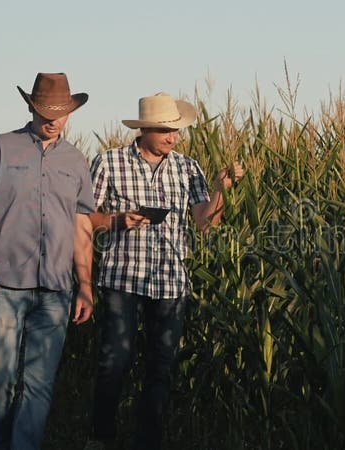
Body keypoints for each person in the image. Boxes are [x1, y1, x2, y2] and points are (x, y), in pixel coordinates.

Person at [86, 92, 244, 449]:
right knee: (115, 360)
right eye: (165, 130)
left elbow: (205, 222)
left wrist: (220, 189)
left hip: (171, 282)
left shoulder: (188, 168)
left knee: (161, 367)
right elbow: (86, 219)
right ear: (144, 130)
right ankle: (101, 437)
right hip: (123, 277)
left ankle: (148, 440)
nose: (173, 137)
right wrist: (119, 221)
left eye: (176, 130)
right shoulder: (109, 163)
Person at [0, 72, 96, 450]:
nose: (53, 118)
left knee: (40, 383)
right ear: (30, 107)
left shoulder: (76, 160)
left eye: (61, 112)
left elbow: (82, 223)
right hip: (3, 283)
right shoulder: (0, 147)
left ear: (70, 112)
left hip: (56, 289)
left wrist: (84, 286)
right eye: (45, 110)